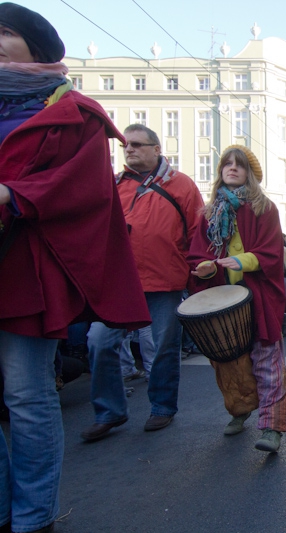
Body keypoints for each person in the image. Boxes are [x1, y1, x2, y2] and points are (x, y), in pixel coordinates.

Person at [0, 4, 150, 531]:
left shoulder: (74, 112)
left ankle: (32, 517)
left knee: (25, 394)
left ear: (35, 48)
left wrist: (13, 194)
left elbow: (83, 187)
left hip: (26, 272)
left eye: (5, 34)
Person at [81, 124, 204, 442]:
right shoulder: (115, 185)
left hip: (165, 280)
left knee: (164, 347)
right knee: (99, 342)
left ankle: (162, 407)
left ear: (156, 149)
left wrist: (197, 281)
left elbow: (197, 235)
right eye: (125, 145)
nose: (129, 149)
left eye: (136, 144)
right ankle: (109, 412)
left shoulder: (182, 185)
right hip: (121, 283)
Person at [189, 145, 286, 452]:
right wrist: (203, 269)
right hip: (222, 299)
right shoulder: (207, 214)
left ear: (250, 173)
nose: (232, 168)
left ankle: (272, 426)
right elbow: (197, 254)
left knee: (267, 360)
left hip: (257, 297)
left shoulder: (264, 208)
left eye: (239, 165)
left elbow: (272, 251)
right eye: (226, 164)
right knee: (229, 364)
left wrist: (244, 260)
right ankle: (240, 409)